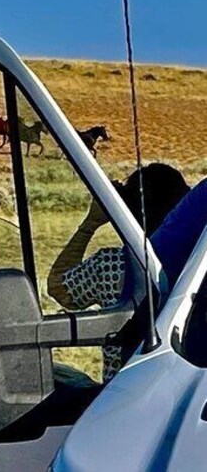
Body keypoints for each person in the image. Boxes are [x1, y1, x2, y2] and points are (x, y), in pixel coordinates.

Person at [47, 163, 190, 381]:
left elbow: (59, 288)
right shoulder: (197, 264)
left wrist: (91, 223)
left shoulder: (110, 265)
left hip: (120, 393)